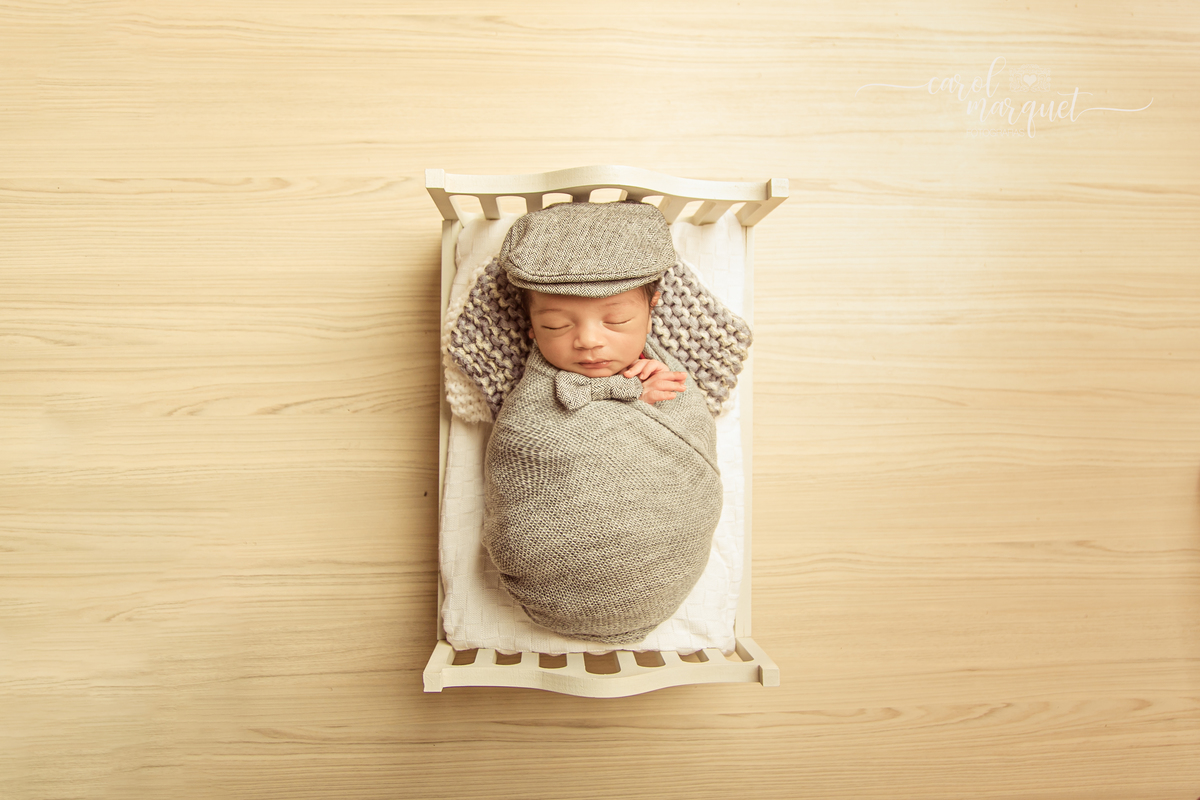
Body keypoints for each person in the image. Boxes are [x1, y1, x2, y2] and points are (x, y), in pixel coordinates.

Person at [482, 199, 723, 645]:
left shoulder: (662, 372)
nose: (589, 341)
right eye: (556, 325)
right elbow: (526, 439)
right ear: (531, 327)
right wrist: (626, 395)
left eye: (617, 320)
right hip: (553, 555)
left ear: (652, 309)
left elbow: (692, 438)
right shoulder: (532, 399)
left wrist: (656, 397)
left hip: (663, 547)